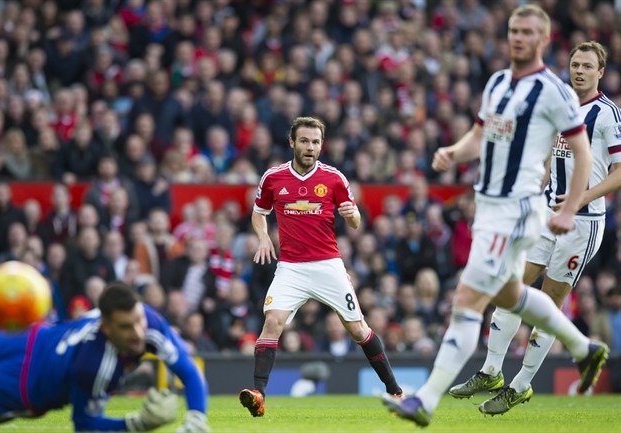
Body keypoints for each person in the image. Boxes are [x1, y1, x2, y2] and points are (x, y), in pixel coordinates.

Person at [382, 5, 609, 427]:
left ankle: (426, 400)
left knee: (468, 299)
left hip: (523, 212)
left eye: (527, 32)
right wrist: (455, 150)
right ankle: (583, 348)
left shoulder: (555, 93)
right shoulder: (498, 83)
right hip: (496, 206)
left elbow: (580, 154)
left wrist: (573, 203)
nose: (518, 38)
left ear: (542, 39)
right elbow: (481, 133)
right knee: (510, 295)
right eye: (513, 31)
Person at [449, 41, 621, 414]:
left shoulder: (607, 115)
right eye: (575, 64)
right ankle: (491, 370)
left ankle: (521, 385)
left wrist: (579, 198)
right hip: (544, 214)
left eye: (587, 66)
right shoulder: (559, 106)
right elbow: (547, 158)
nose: (579, 71)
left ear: (600, 72)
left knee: (551, 301)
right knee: (510, 287)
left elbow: (619, 173)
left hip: (583, 222)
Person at [239, 116, 402, 418]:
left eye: (315, 142)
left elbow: (355, 223)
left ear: (321, 144)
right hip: (291, 267)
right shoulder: (273, 178)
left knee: (357, 328)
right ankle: (259, 393)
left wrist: (352, 215)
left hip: (328, 265)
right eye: (304, 141)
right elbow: (258, 213)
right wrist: (263, 237)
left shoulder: (335, 179)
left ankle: (395, 390)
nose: (310, 147)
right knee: (273, 321)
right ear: (292, 142)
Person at [0, 281, 210, 432]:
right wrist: (137, 424)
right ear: (106, 327)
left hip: (27, 338)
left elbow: (189, 371)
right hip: (19, 383)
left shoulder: (150, 322)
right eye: (126, 327)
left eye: (139, 321)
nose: (138, 333)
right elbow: (85, 425)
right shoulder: (94, 367)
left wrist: (197, 418)